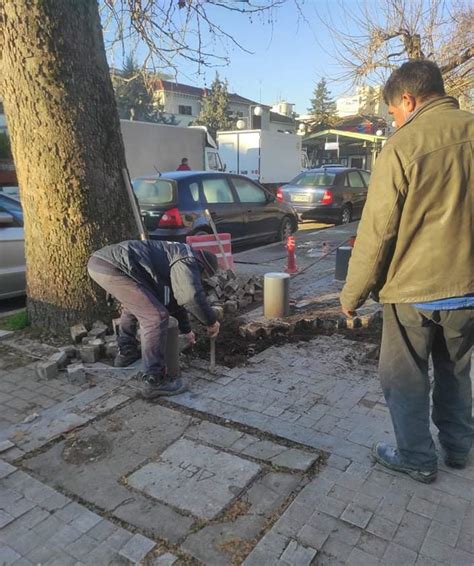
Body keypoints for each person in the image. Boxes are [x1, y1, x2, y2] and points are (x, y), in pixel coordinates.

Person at [340, 60, 473, 483]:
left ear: (409, 100)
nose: (394, 121)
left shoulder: (403, 147)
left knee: (405, 377)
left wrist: (352, 295)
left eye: (393, 113)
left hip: (412, 292)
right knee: (456, 372)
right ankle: (457, 448)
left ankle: (416, 457)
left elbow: (378, 232)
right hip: (468, 289)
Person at [88, 241, 220, 399]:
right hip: (113, 266)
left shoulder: (179, 256)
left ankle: (127, 353)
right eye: (204, 276)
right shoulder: (187, 260)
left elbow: (173, 301)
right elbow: (190, 296)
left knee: (136, 306)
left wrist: (187, 330)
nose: (202, 279)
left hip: (105, 263)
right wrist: (211, 321)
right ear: (204, 267)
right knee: (156, 317)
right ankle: (154, 380)